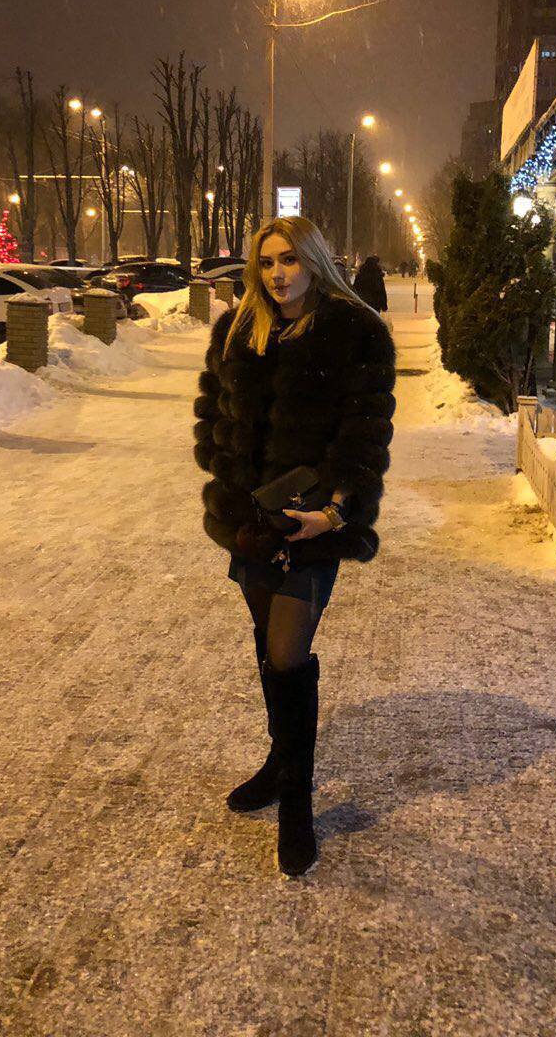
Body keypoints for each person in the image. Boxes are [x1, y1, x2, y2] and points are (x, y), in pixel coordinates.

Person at [193, 216, 396, 877]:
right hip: (252, 523)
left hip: (312, 524)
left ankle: (298, 804)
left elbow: (364, 435)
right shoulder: (237, 330)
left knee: (287, 651)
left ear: (314, 261)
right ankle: (280, 764)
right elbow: (211, 415)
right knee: (265, 646)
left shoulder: (355, 331)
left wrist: (334, 512)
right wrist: (227, 479)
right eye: (267, 261)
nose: (278, 274)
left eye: (290, 259)